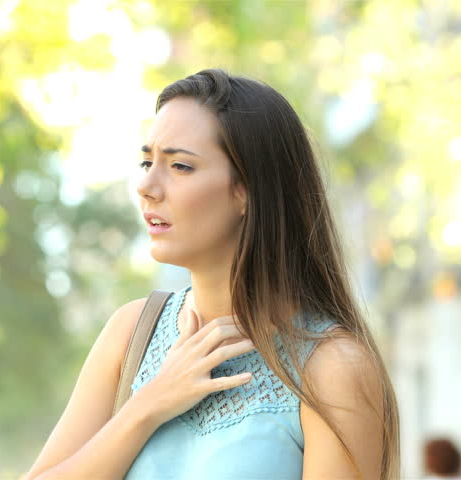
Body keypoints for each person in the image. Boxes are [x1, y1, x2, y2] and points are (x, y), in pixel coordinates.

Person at [22, 69, 400, 479]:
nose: (147, 185)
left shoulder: (332, 368)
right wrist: (147, 406)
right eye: (147, 161)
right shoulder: (131, 333)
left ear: (248, 189)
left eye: (180, 166)